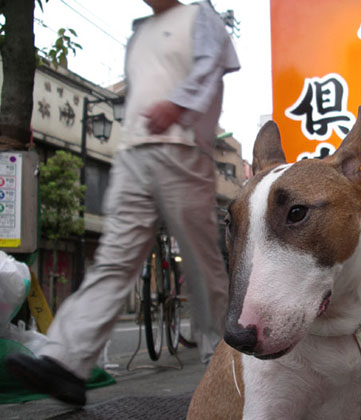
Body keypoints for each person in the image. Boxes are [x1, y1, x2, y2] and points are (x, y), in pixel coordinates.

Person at [7, 0, 239, 406]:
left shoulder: (199, 16)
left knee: (201, 264)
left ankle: (230, 362)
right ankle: (66, 362)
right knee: (114, 257)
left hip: (181, 150)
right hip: (132, 153)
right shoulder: (138, 31)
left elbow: (210, 69)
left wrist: (178, 104)